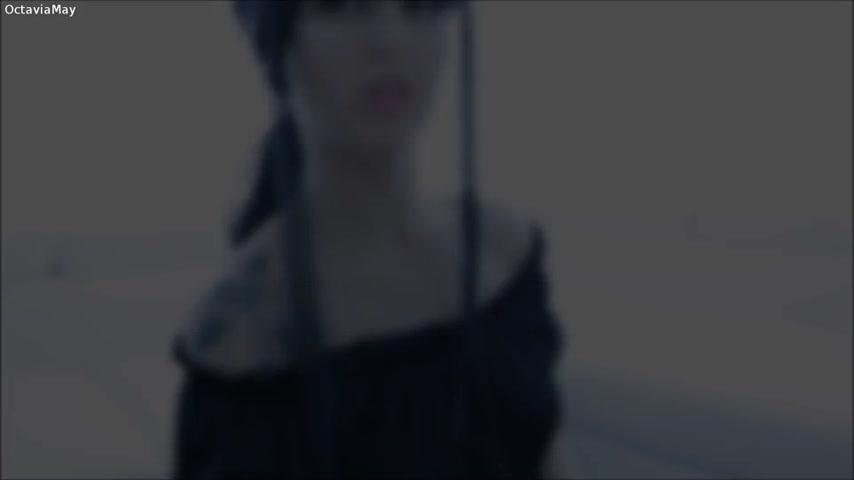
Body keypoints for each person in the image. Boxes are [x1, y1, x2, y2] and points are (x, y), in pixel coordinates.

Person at [171, 0, 576, 478]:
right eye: (341, 6)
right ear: (276, 38)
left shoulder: (501, 251)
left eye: (421, 5)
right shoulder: (239, 337)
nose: (391, 41)